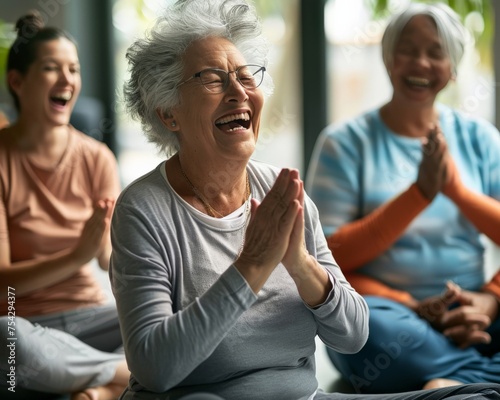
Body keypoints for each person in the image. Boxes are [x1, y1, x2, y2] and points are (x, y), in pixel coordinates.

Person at [110, 0, 500, 399]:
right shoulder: (143, 209)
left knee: (477, 397)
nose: (238, 93)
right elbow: (154, 369)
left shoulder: (282, 191)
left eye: (246, 77)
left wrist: (300, 265)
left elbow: (352, 335)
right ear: (167, 113)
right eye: (212, 79)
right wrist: (252, 266)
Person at [306, 2, 500, 395]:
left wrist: (489, 299)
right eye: (407, 49)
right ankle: (478, 378)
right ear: (388, 56)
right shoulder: (344, 144)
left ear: (454, 65)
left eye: (436, 51)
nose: (421, 63)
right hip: (390, 314)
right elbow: (327, 258)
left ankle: (448, 382)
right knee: (363, 334)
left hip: (477, 314)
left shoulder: (480, 139)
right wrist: (419, 195)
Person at [0, 11, 128, 400]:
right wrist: (77, 255)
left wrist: (115, 244)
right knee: (7, 343)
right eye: (52, 68)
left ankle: (99, 391)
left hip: (92, 315)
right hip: (23, 321)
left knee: (168, 316)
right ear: (17, 82)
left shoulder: (97, 158)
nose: (67, 80)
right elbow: (4, 283)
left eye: (73, 69)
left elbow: (108, 261)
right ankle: (125, 376)